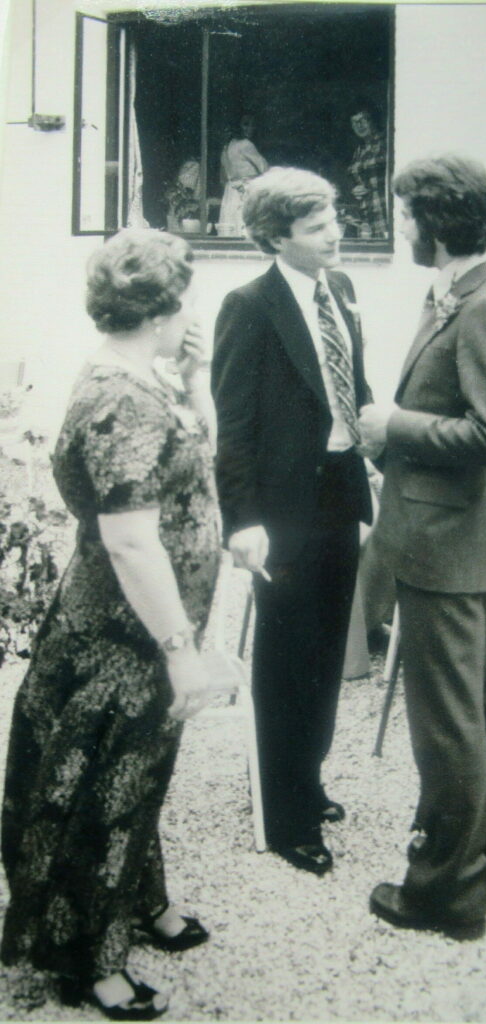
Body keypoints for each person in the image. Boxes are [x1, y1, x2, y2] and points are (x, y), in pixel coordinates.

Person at [1, 229, 221, 1019]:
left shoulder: (139, 378)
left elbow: (199, 459)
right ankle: (89, 960)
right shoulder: (121, 401)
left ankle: (140, 900)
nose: (189, 315)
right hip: (125, 635)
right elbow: (129, 542)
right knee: (110, 786)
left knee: (138, 771)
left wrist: (194, 379)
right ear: (160, 311)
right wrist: (181, 650)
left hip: (141, 625)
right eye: (183, 302)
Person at [359, 154, 486, 940]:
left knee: (447, 724)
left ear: (435, 222)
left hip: (445, 542)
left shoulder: (484, 305)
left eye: (406, 215)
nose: (400, 227)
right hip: (461, 537)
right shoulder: (465, 291)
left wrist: (394, 425)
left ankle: (446, 892)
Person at [211, 166, 373, 874]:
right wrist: (242, 520)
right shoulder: (249, 307)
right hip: (280, 511)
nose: (335, 233)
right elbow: (234, 426)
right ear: (277, 237)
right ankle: (282, 815)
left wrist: (371, 456)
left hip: (339, 492)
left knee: (328, 649)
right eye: (316, 226)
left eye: (333, 217)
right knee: (285, 658)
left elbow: (352, 385)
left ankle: (306, 779)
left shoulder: (341, 288)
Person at [217, 115, 268, 237]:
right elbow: (264, 167)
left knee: (233, 227)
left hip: (231, 192)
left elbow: (223, 177)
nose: (250, 128)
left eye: (252, 125)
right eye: (246, 124)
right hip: (246, 189)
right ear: (237, 126)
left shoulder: (227, 146)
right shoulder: (245, 144)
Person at [348, 102, 388, 240]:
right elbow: (359, 180)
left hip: (384, 213)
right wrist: (355, 189)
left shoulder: (386, 143)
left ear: (372, 120)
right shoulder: (359, 151)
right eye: (354, 122)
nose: (359, 125)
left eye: (363, 119)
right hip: (366, 216)